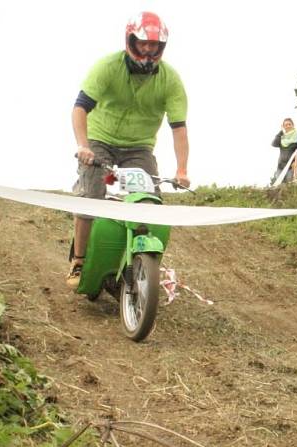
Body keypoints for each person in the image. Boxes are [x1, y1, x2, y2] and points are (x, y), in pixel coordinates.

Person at [68, 12, 189, 288]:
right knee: (91, 196)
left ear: (162, 48)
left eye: (154, 46)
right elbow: (80, 108)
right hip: (100, 141)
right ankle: (79, 260)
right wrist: (83, 145)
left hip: (139, 148)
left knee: (150, 202)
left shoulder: (170, 79)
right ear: (131, 41)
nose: (148, 50)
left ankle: (139, 260)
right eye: (143, 43)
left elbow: (179, 127)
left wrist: (182, 169)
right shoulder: (108, 66)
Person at [271, 118, 297, 183]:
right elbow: (274, 144)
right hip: (280, 167)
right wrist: (281, 131)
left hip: (291, 168)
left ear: (293, 125)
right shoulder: (282, 138)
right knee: (279, 186)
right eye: (286, 125)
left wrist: (295, 161)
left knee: (289, 186)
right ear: (283, 126)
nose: (288, 126)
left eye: (289, 124)